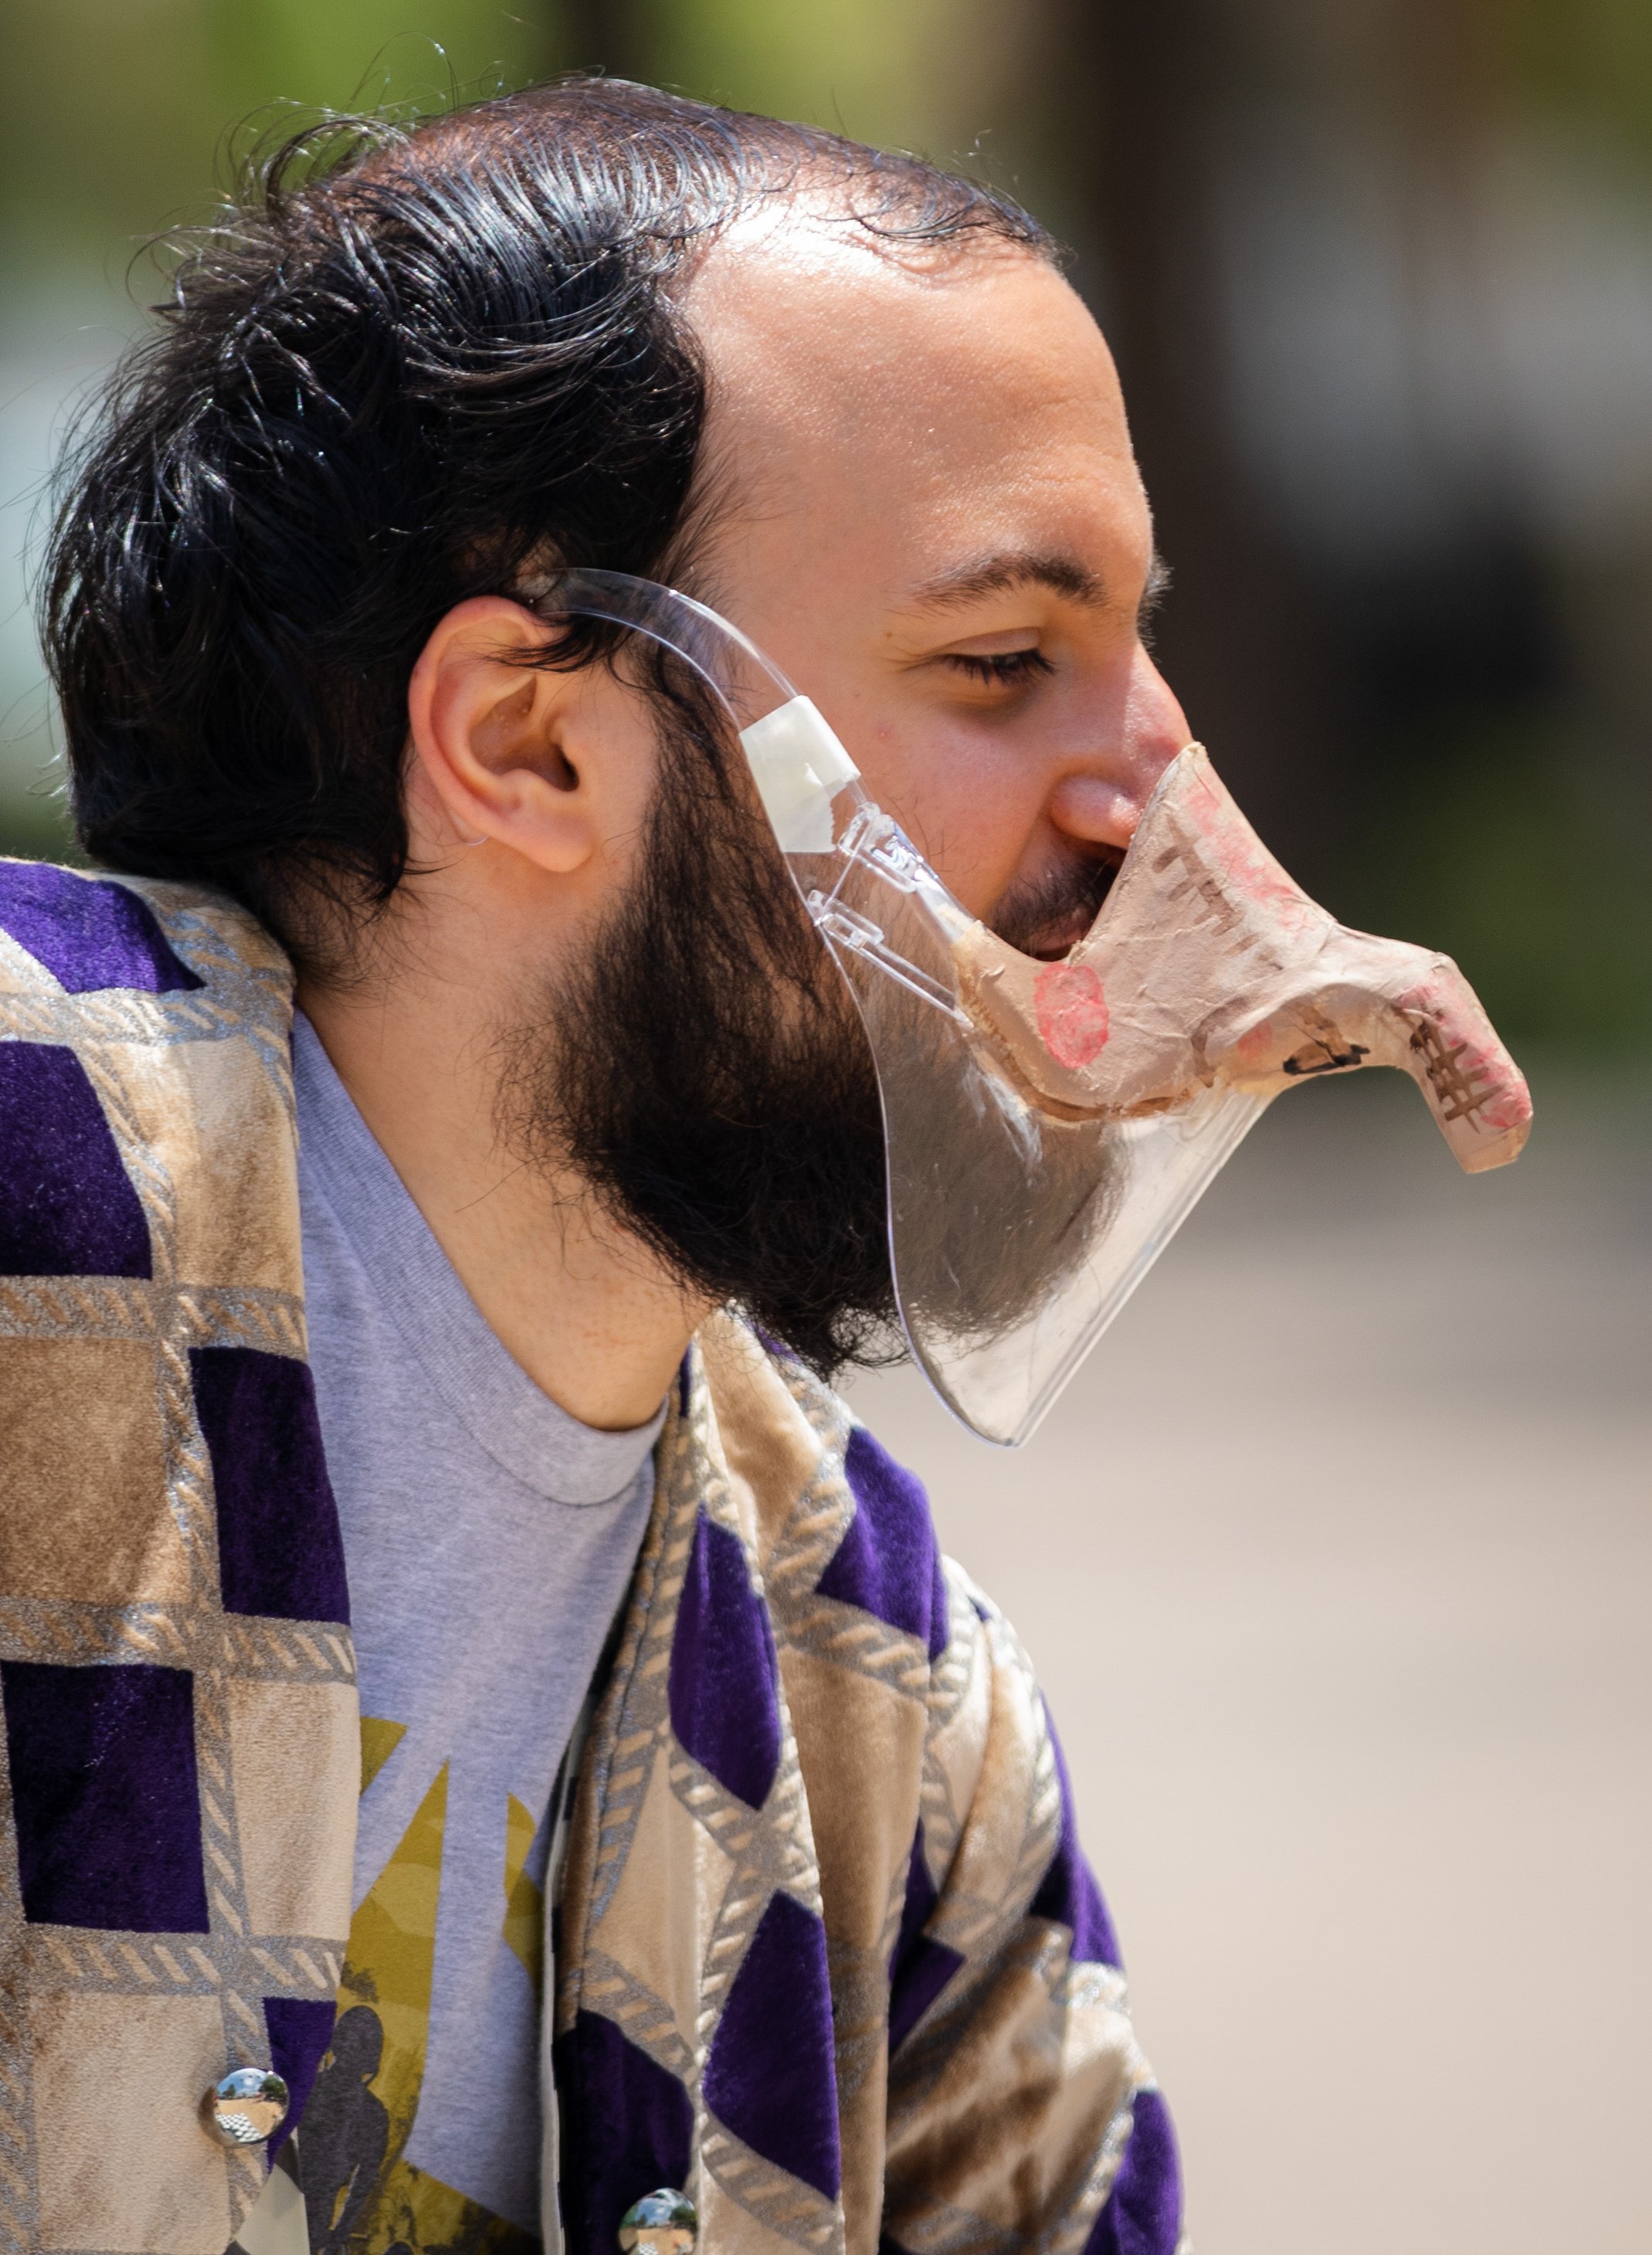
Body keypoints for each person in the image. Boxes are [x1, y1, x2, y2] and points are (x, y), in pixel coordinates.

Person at [1, 77, 1190, 2255]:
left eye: (1139, 661)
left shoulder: (887, 1709)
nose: (1157, 795)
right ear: (528, 741)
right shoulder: (21, 1158)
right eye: (1008, 660)